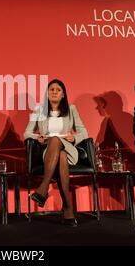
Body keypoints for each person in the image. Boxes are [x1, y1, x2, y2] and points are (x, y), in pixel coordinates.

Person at [24, 79, 88, 227]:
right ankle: (68, 208)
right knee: (59, 152)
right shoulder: (38, 110)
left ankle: (43, 187)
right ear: (47, 94)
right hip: (49, 151)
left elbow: (84, 131)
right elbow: (26, 133)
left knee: (58, 143)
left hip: (69, 148)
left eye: (58, 90)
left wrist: (75, 137)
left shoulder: (71, 109)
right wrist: (37, 137)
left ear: (63, 94)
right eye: (51, 89)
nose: (54, 92)